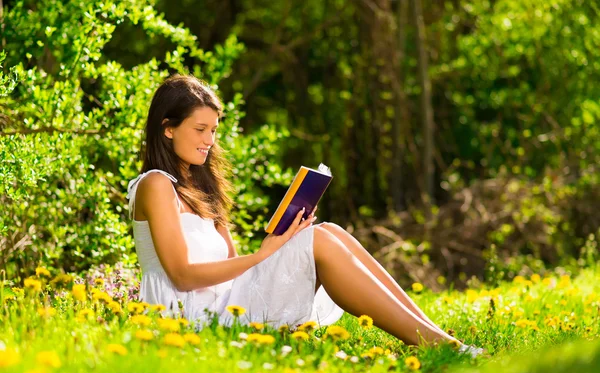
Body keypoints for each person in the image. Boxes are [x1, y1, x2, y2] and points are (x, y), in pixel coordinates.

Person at [126, 74, 483, 356]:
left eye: (214, 131)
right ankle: (434, 343)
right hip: (190, 320)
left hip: (228, 303)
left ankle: (435, 336)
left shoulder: (200, 184)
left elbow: (233, 264)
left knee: (330, 232)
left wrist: (283, 240)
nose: (209, 140)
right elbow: (183, 276)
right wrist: (265, 253)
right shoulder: (156, 185)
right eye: (200, 130)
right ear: (168, 128)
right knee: (321, 242)